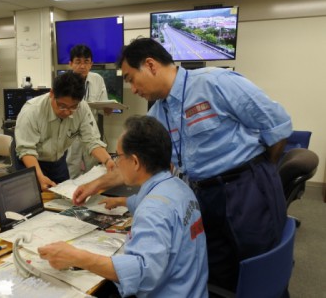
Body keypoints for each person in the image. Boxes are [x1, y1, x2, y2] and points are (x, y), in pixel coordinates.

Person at [73, 37, 292, 291]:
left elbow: (278, 125)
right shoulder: (158, 114)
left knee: (261, 272)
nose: (132, 89)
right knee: (221, 275)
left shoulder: (214, 83)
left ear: (151, 65)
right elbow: (134, 163)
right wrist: (94, 185)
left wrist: (260, 174)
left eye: (132, 78)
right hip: (204, 195)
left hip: (247, 189)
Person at [39, 115, 208, 297]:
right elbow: (151, 204)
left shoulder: (153, 209)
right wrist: (122, 201)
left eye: (118, 156)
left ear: (135, 162)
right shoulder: (178, 187)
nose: (117, 163)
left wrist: (77, 257)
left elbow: (142, 274)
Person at [15, 71, 115, 191]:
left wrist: (108, 161)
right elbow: (26, 150)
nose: (67, 112)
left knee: (64, 198)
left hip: (58, 161)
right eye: (62, 106)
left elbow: (92, 141)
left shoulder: (82, 108)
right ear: (52, 93)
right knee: (32, 203)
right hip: (31, 162)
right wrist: (40, 177)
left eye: (73, 107)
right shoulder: (32, 111)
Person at [65, 45, 112, 178]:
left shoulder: (97, 79)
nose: (82, 66)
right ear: (70, 64)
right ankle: (70, 194)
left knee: (93, 169)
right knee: (72, 166)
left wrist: (107, 109)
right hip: (70, 131)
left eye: (86, 62)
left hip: (91, 130)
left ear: (91, 64)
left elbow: (103, 105)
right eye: (78, 62)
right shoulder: (65, 82)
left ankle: (91, 194)